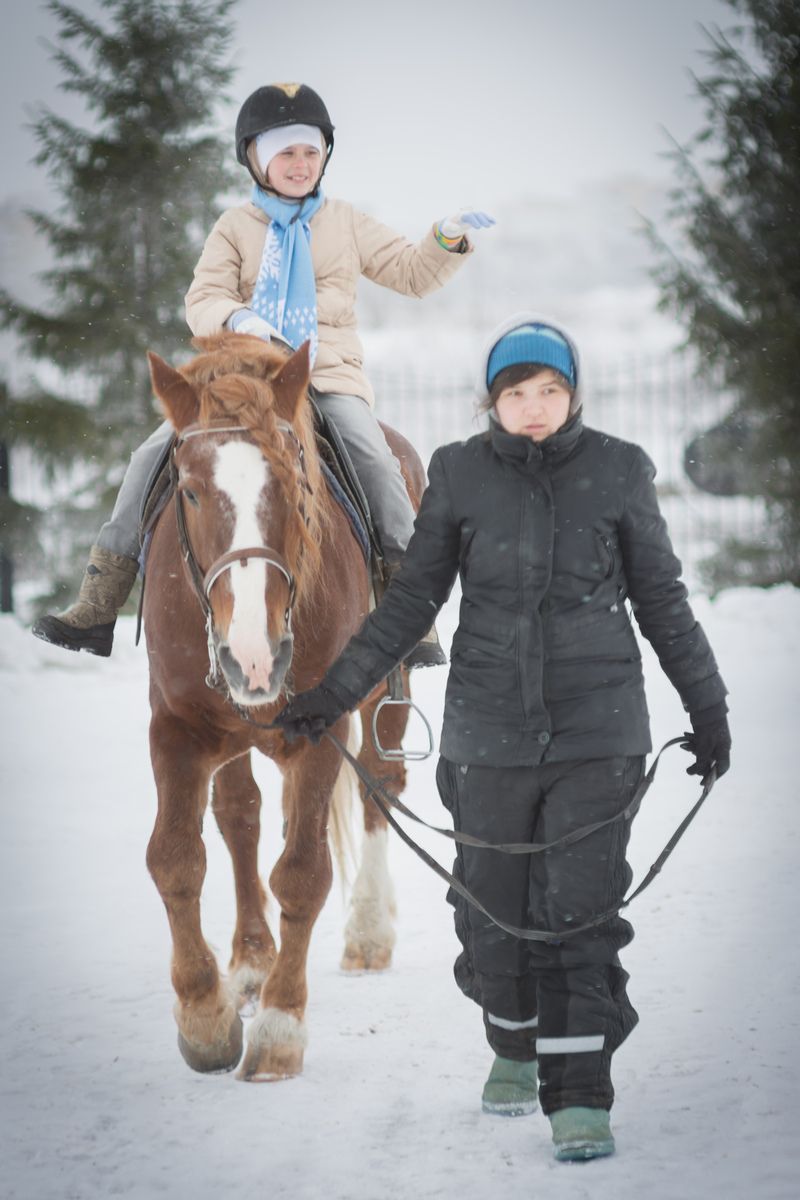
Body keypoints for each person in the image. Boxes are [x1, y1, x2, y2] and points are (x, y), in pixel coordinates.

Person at [272, 314, 732, 1162]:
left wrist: (709, 708)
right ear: (493, 401)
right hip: (487, 735)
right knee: (491, 913)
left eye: (549, 390)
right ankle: (513, 1043)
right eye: (516, 393)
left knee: (579, 915)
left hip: (601, 733)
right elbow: (410, 605)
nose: (533, 407)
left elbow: (663, 600)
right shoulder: (458, 474)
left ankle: (583, 1094)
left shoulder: (620, 471)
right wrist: (333, 693)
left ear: (572, 395)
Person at [32, 82, 493, 663]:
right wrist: (238, 316)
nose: (300, 164)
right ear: (255, 157)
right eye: (285, 152)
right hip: (239, 386)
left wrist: (444, 238)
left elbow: (410, 273)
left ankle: (407, 608)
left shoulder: (346, 222)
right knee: (150, 455)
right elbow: (202, 299)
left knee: (375, 458)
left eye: (310, 151)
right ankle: (100, 601)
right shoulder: (235, 227)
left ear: (324, 155)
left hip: (326, 380)